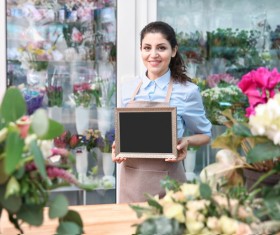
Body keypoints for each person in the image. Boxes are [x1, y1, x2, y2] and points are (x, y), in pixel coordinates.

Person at [112, 21, 212, 203]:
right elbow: (128, 135)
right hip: (131, 183)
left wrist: (185, 141)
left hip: (170, 186)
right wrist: (117, 146)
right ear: (140, 50)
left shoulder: (188, 91)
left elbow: (205, 135)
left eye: (161, 48)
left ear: (173, 51)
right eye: (147, 48)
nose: (153, 55)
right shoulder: (127, 89)